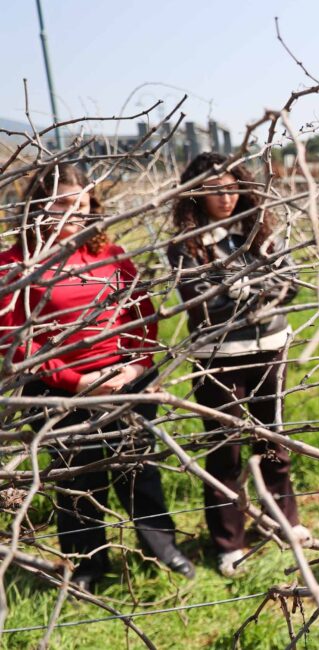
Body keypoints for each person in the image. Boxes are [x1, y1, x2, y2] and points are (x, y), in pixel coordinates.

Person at [0, 164, 193, 591]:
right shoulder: (15, 265)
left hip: (126, 379)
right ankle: (86, 564)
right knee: (76, 478)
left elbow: (142, 315)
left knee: (138, 467)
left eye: (83, 205)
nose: (74, 214)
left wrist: (137, 366)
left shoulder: (112, 255)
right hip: (56, 391)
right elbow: (16, 343)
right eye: (63, 205)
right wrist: (76, 383)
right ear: (37, 207)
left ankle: (161, 547)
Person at [168, 153, 307, 577]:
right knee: (224, 450)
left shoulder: (259, 232)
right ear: (195, 195)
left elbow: (290, 282)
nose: (226, 198)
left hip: (270, 349)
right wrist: (256, 291)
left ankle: (283, 522)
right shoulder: (186, 246)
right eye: (214, 191)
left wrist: (239, 291)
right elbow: (204, 305)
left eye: (231, 189)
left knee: (273, 441)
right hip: (218, 358)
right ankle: (230, 542)